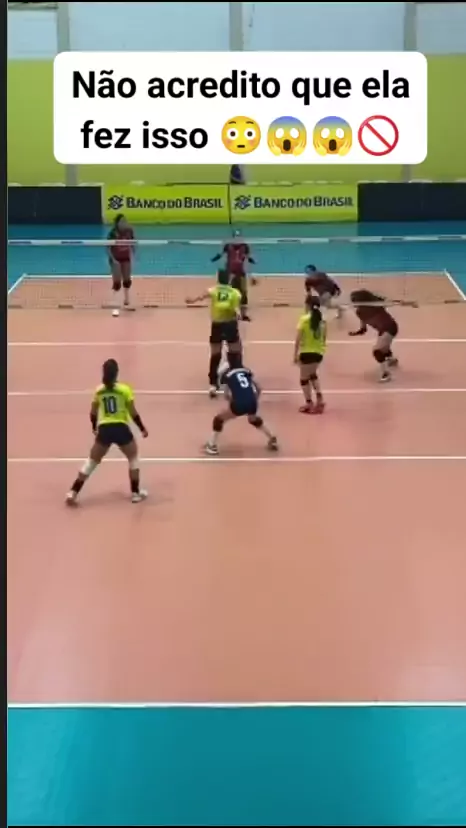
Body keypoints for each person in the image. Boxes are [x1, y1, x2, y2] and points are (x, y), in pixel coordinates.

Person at [66, 359, 148, 505]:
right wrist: (142, 428)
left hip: (104, 429)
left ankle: (73, 491)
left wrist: (94, 427)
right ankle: (135, 493)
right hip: (121, 428)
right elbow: (133, 412)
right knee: (133, 457)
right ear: (117, 373)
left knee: (92, 461)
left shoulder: (99, 391)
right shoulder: (125, 390)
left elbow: (93, 412)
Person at [186, 269, 243, 397]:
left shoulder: (213, 290)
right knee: (235, 353)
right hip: (230, 325)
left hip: (217, 326)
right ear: (229, 279)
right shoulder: (235, 293)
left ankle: (213, 384)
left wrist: (192, 300)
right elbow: (236, 308)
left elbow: (201, 296)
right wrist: (239, 314)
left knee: (215, 355)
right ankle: (236, 382)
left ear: (218, 279)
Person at [205, 362, 278, 456]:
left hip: (239, 403)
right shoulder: (245, 372)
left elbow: (227, 396)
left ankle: (211, 445)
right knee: (253, 419)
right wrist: (252, 400)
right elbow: (258, 389)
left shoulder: (227, 376)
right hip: (252, 401)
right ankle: (272, 438)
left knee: (219, 419)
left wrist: (233, 403)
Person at [349, 289, 400, 382]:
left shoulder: (376, 305)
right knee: (383, 347)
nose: (353, 302)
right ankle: (391, 359)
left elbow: (392, 302)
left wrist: (408, 303)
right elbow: (363, 329)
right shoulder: (359, 312)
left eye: (354, 299)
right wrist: (356, 333)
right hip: (382, 330)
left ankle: (386, 374)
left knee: (377, 351)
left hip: (390, 327)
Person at [211, 230, 256, 321]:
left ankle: (243, 315)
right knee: (229, 292)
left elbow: (248, 259)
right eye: (235, 237)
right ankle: (229, 313)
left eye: (238, 237)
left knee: (243, 293)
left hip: (241, 273)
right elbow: (221, 255)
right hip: (230, 273)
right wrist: (214, 259)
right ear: (233, 238)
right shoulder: (228, 246)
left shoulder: (245, 247)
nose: (237, 239)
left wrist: (251, 275)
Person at [293, 295, 327, 414]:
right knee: (312, 374)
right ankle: (320, 399)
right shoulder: (322, 320)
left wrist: (295, 355)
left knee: (303, 379)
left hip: (306, 354)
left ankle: (309, 403)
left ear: (308, 305)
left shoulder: (304, 319)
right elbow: (324, 338)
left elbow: (298, 339)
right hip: (319, 354)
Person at [107, 214, 135, 313]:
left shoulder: (129, 231)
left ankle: (127, 300)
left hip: (126, 258)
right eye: (122, 221)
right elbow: (108, 248)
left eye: (125, 220)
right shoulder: (113, 233)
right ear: (117, 223)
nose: (124, 222)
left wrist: (133, 256)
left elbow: (132, 243)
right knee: (117, 281)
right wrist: (113, 259)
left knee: (127, 280)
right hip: (115, 259)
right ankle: (115, 301)